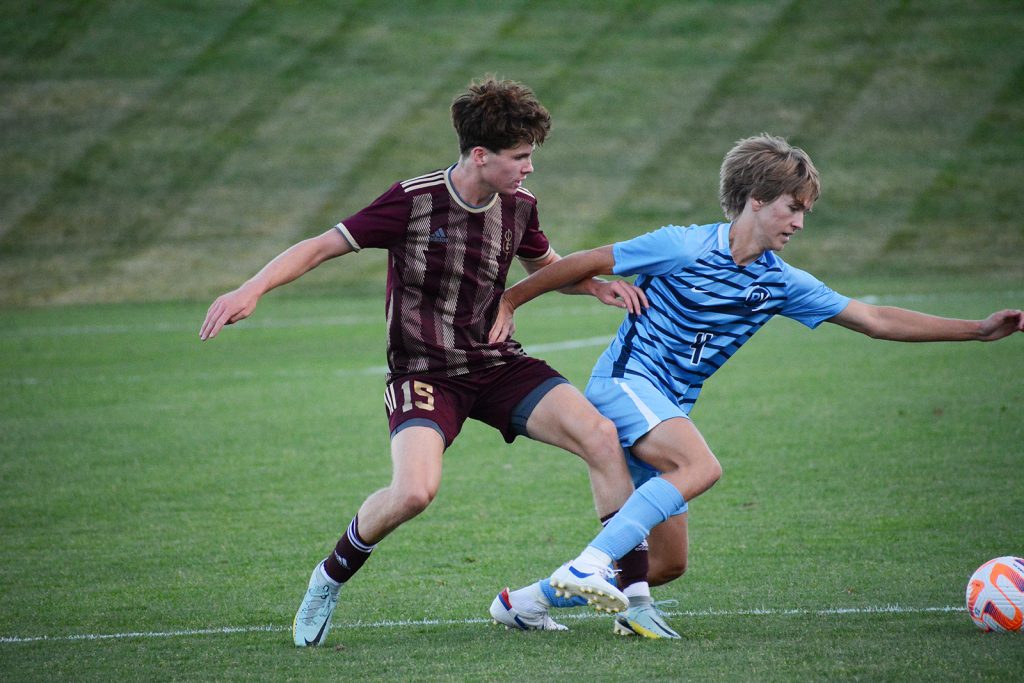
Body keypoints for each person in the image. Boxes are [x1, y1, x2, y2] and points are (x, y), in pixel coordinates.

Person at [487, 133, 1024, 639]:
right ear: (757, 200)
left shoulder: (779, 282)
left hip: (667, 408)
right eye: (793, 207)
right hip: (624, 384)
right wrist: (511, 301)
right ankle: (587, 564)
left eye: (804, 212)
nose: (799, 223)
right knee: (700, 467)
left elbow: (874, 318)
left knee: (664, 564)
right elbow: (585, 262)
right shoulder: (682, 246)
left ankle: (526, 604)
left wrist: (976, 331)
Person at [199, 77, 649, 647]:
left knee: (602, 436)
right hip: (425, 375)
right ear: (481, 156)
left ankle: (634, 602)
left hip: (497, 365)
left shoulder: (520, 207)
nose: (530, 168)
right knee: (414, 493)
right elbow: (320, 245)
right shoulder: (412, 201)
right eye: (521, 157)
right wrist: (252, 288)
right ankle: (327, 579)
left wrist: (593, 287)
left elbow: (544, 263)